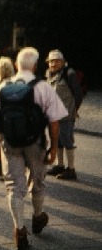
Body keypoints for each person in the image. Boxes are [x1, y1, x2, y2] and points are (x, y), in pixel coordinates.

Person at [0, 47, 67, 250]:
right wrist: (54, 149)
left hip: (10, 143)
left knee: (14, 186)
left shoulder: (3, 86)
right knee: (38, 182)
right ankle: (38, 217)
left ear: (16, 65)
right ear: (35, 65)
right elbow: (55, 123)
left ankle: (19, 230)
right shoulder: (43, 87)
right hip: (36, 143)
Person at [45, 49, 83, 180]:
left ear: (62, 62)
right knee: (57, 140)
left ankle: (71, 169)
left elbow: (78, 94)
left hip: (66, 114)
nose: (53, 64)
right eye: (51, 61)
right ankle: (59, 165)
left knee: (67, 140)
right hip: (54, 115)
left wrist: (74, 110)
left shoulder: (69, 74)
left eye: (56, 61)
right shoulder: (49, 74)